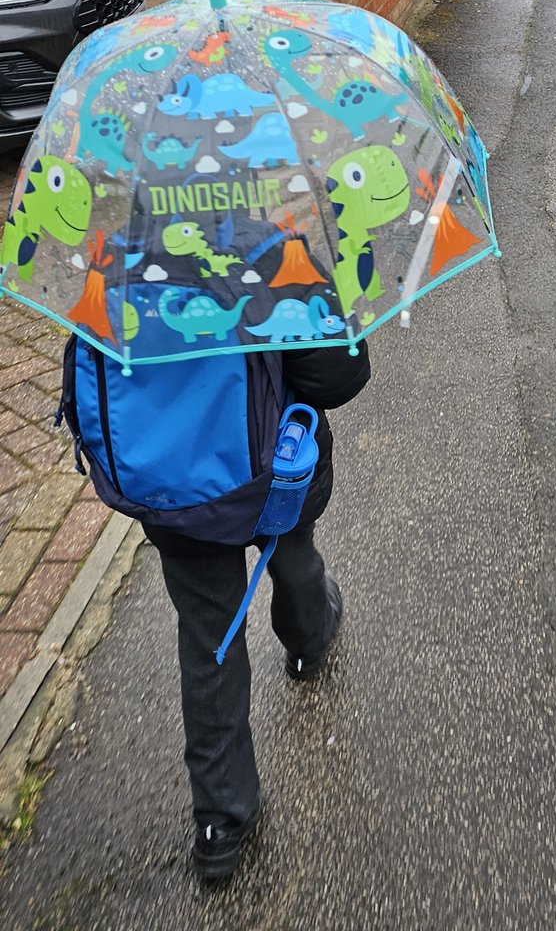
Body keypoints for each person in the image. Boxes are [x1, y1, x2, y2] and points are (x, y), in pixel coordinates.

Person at [141, 341, 371, 880]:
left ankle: (220, 822)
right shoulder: (275, 253)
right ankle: (309, 640)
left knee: (207, 636)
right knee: (293, 561)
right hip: (276, 464)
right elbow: (337, 376)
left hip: (176, 484)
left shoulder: (113, 259)